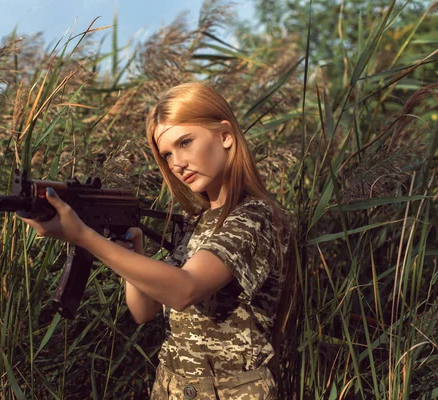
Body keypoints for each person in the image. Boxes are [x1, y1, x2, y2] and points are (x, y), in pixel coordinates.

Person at [20, 82, 295, 399]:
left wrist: (83, 236)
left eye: (186, 142)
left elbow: (184, 290)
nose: (177, 163)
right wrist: (130, 253)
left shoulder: (255, 217)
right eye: (167, 154)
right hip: (174, 388)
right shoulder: (196, 221)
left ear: (225, 136)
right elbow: (144, 311)